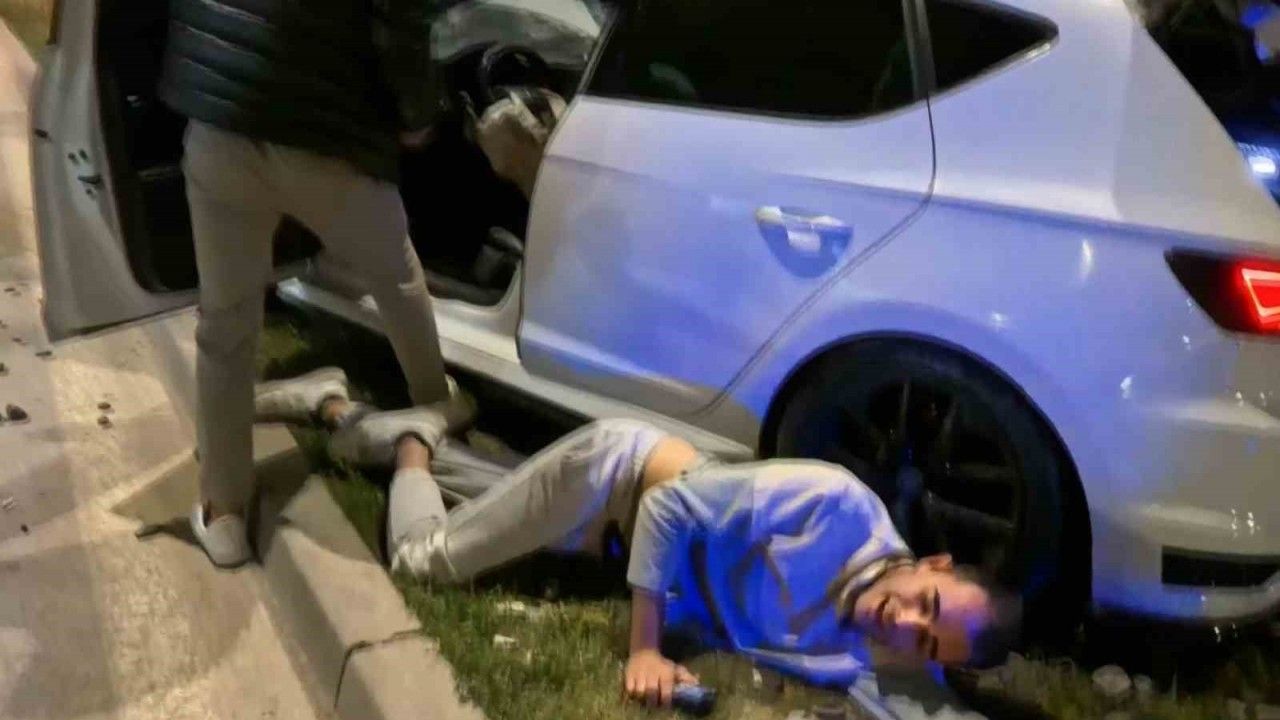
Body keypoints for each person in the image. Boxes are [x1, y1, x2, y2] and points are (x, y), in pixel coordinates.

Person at [258, 369, 1022, 708]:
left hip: (611, 544)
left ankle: (336, 408)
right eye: (926, 603)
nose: (905, 622)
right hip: (616, 483)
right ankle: (411, 444)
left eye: (927, 640)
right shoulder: (834, 503)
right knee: (423, 561)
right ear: (934, 561)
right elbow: (669, 511)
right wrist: (644, 651)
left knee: (479, 499)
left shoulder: (875, 649)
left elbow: (917, 698)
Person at [158, 0, 457, 567]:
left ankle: (224, 515)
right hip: (326, 135)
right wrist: (419, 116)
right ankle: (435, 404)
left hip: (221, 122)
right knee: (396, 276)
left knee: (225, 325)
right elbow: (399, 24)